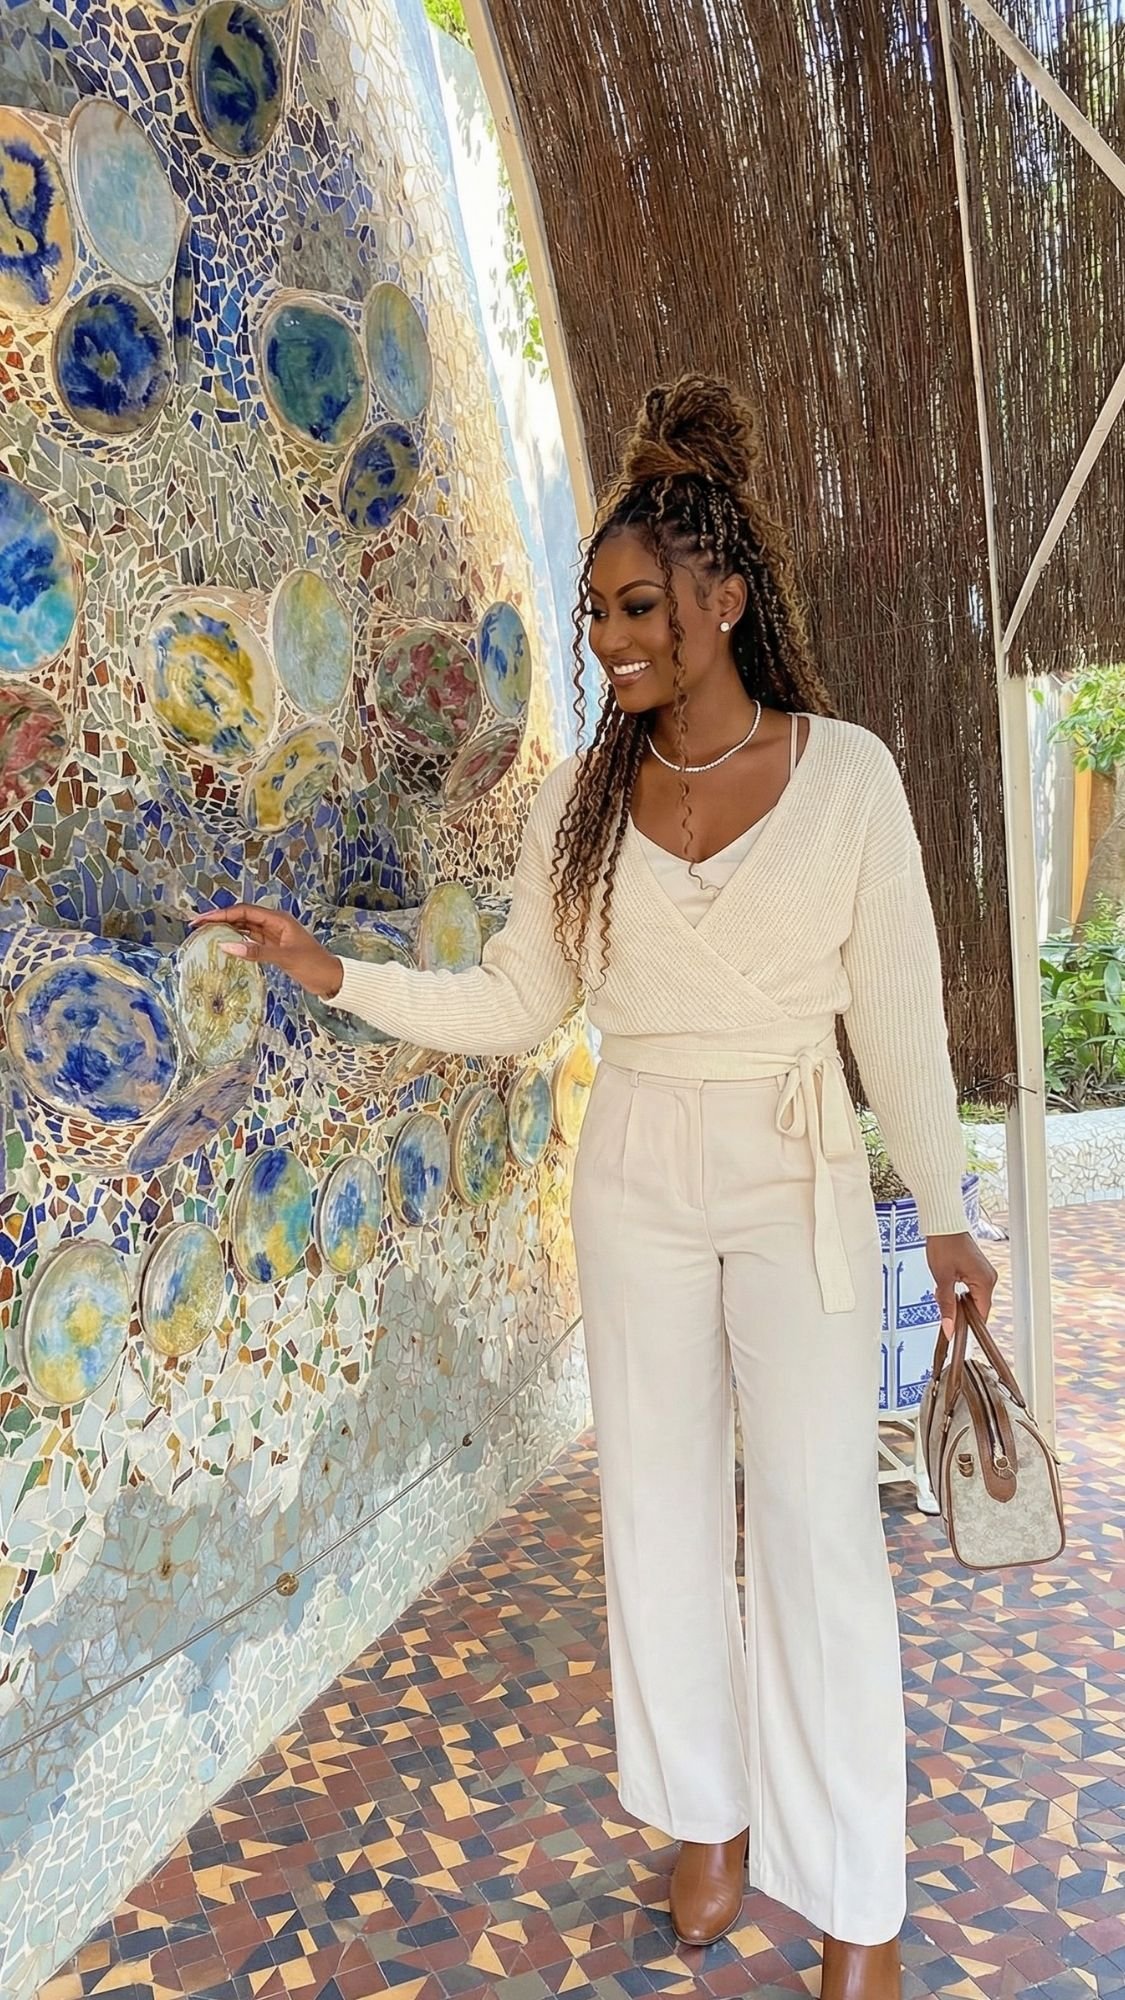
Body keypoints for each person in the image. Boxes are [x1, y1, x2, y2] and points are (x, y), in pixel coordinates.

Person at [194, 375, 996, 2000]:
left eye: (642, 608)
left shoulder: (845, 778)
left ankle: (856, 1905)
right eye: (599, 613)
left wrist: (958, 1210)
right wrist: (332, 969)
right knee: (656, 1508)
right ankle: (703, 1816)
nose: (615, 640)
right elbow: (513, 1002)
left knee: (821, 1537)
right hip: (632, 1165)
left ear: (724, 597)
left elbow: (896, 1028)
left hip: (793, 1165)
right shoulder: (583, 802)